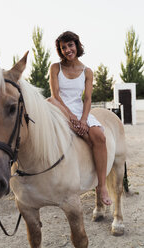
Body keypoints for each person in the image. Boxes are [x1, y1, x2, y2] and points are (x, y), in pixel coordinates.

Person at [48, 31, 112, 205]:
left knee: (99, 137)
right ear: (60, 51)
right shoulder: (55, 68)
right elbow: (55, 95)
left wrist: (83, 120)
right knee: (81, 135)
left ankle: (102, 186)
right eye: (63, 48)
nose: (68, 50)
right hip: (58, 106)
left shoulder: (87, 71)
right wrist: (71, 117)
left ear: (77, 45)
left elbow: (88, 99)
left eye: (70, 45)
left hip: (79, 110)